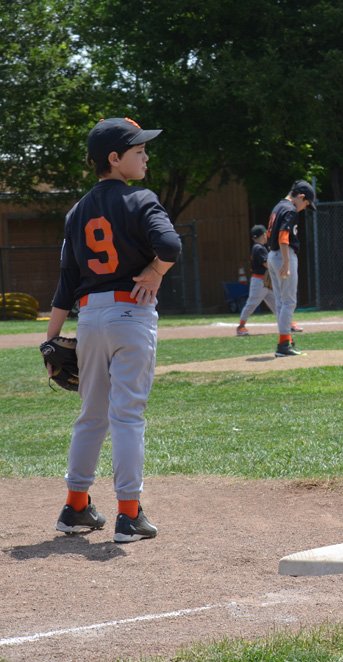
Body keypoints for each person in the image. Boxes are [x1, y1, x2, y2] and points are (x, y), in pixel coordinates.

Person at [48, 117, 181, 543]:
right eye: (138, 150)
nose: (145, 155)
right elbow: (171, 246)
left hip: (89, 319)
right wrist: (157, 272)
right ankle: (128, 514)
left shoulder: (77, 211)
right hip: (131, 313)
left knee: (90, 416)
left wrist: (50, 340)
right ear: (114, 158)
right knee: (126, 416)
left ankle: (75, 508)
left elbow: (66, 283)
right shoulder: (140, 199)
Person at [266, 179, 316, 356]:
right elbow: (283, 236)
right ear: (300, 197)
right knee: (289, 302)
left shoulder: (278, 206)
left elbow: (269, 234)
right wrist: (286, 262)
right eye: (306, 204)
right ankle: (283, 345)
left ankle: (285, 341)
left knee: (281, 302)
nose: (304, 208)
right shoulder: (290, 209)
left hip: (272, 255)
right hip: (283, 254)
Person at [236, 225, 276, 336]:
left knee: (277, 303)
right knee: (252, 304)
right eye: (265, 233)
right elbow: (266, 264)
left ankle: (287, 324)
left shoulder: (259, 247)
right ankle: (241, 326)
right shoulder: (259, 248)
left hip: (265, 281)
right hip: (259, 282)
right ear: (263, 234)